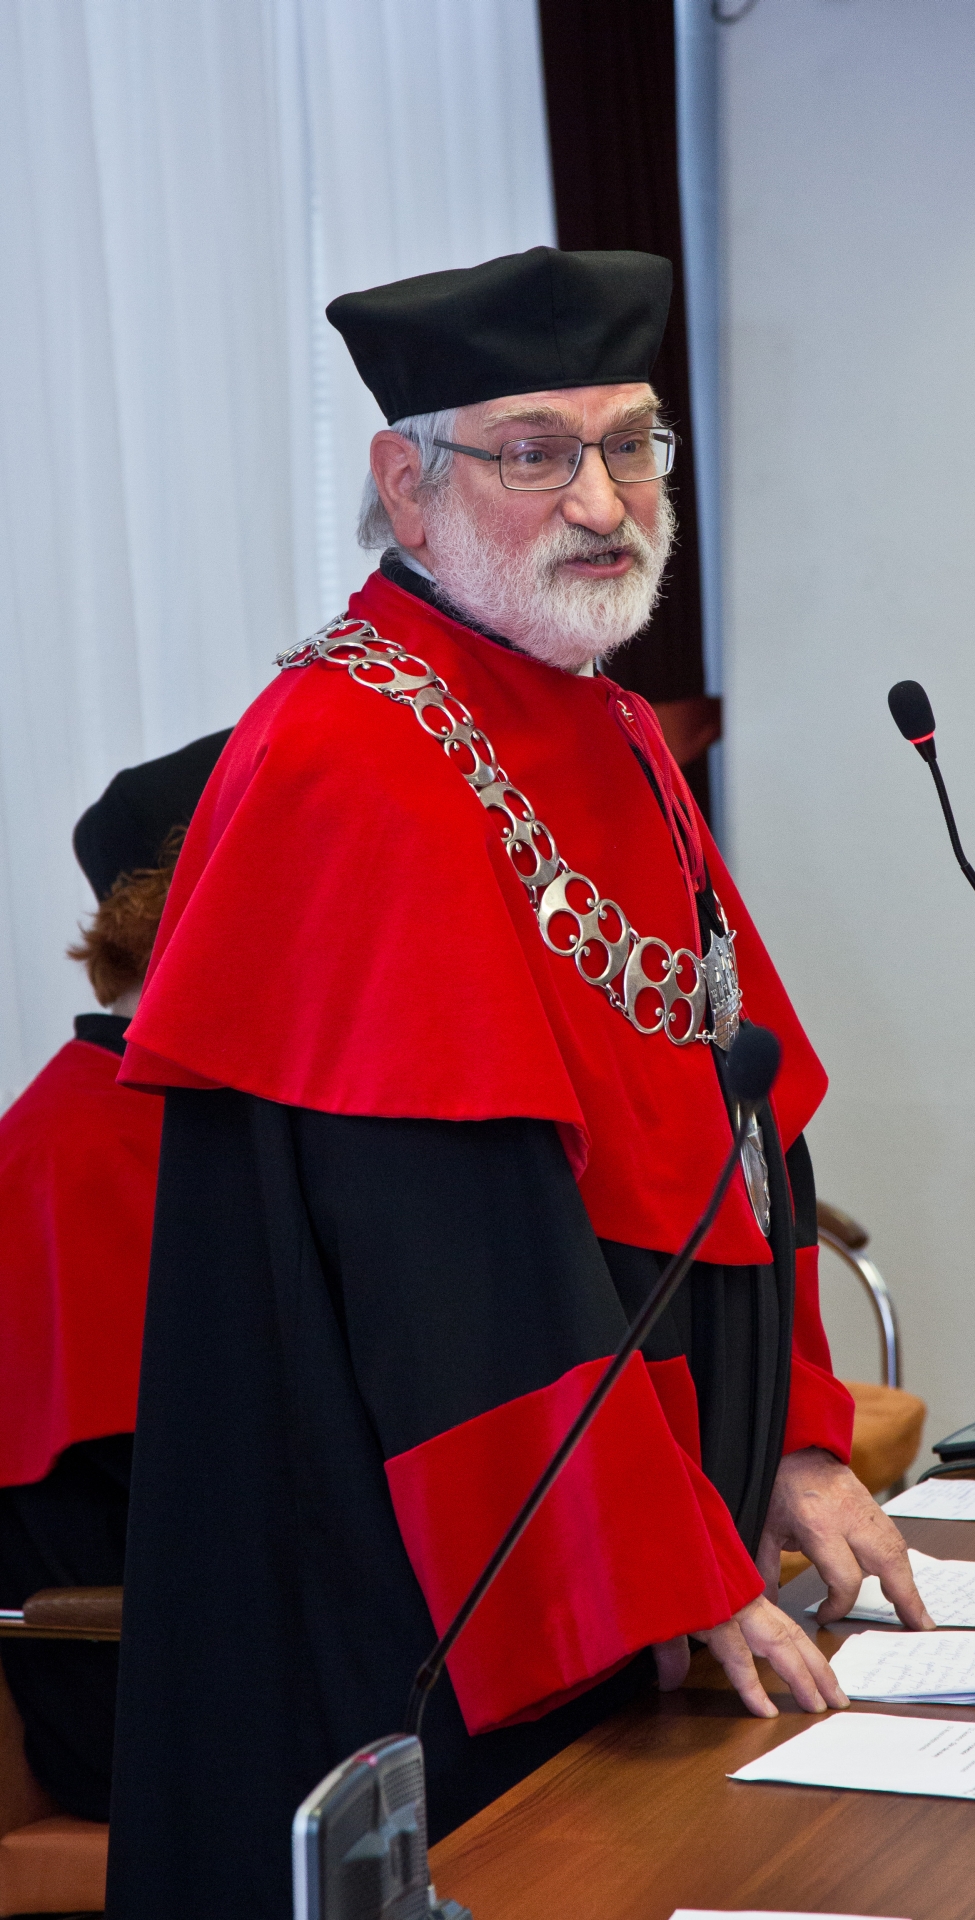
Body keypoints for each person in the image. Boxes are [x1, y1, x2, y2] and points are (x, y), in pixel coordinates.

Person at [107, 246, 931, 1918]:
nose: (605, 502)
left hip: (644, 1544)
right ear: (406, 483)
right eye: (537, 453)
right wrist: (649, 1564)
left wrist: (796, 1440)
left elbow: (738, 1122)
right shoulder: (346, 756)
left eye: (631, 446)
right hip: (441, 1593)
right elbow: (452, 1266)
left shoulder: (601, 721)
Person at [0, 731, 229, 1823]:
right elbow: (186, 1483)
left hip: (236, 1632)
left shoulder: (192, 1116)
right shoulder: (77, 1146)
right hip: (142, 1688)